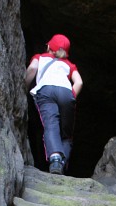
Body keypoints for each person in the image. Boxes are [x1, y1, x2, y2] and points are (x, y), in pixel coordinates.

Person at [25, 34, 83, 174]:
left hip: (46, 91)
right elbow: (79, 82)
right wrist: (71, 96)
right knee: (66, 134)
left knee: (51, 124)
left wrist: (24, 88)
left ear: (49, 47)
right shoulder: (69, 64)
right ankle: (63, 163)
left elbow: (32, 69)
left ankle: (55, 160)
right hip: (66, 92)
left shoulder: (40, 57)